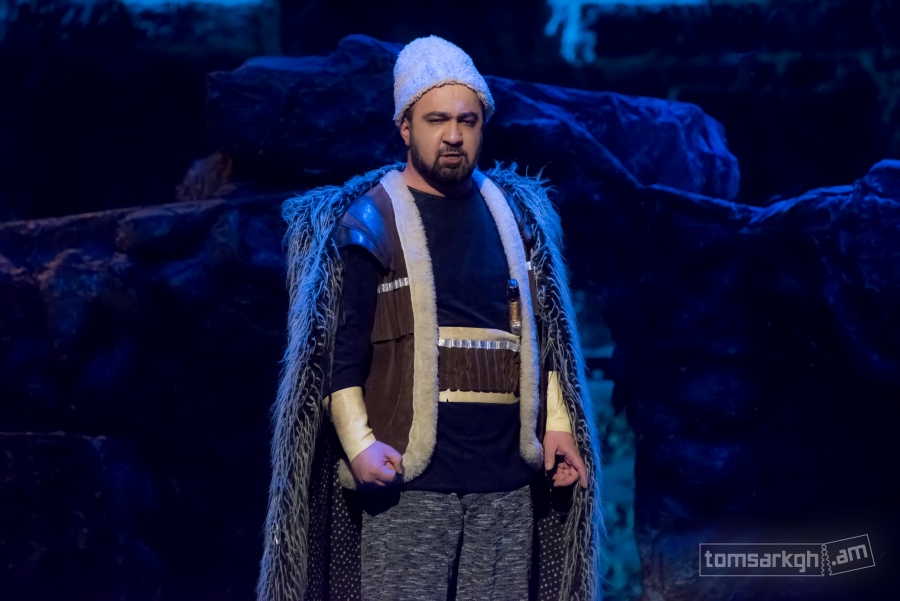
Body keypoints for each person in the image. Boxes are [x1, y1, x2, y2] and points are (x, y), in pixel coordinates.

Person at [257, 36, 603, 601]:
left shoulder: (515, 217)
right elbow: (340, 353)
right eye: (436, 120)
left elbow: (543, 338)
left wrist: (558, 425)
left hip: (505, 486)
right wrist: (360, 445)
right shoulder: (372, 219)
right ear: (405, 127)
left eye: (467, 120)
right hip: (411, 485)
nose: (453, 135)